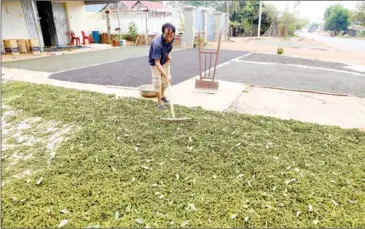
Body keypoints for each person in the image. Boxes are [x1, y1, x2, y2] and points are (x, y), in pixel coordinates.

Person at [148, 23, 175, 110]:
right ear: (163, 33)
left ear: (173, 33)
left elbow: (169, 47)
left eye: (171, 35)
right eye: (167, 35)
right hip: (156, 63)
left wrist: (168, 54)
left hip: (164, 60)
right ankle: (160, 102)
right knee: (158, 82)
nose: (169, 38)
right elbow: (157, 63)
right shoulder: (157, 44)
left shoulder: (171, 37)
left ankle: (163, 96)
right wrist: (165, 75)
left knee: (165, 82)